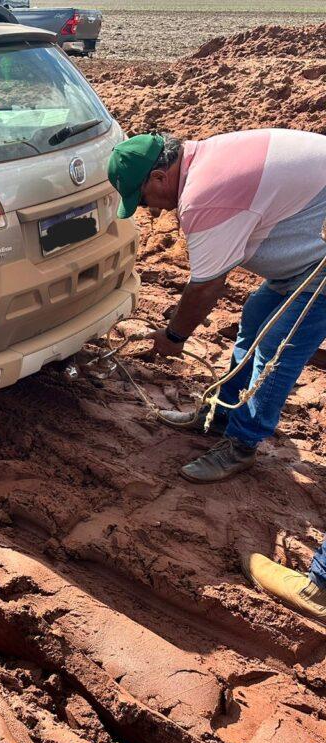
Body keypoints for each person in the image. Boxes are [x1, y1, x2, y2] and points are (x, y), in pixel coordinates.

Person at [107, 128, 326, 625]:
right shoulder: (206, 158)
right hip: (305, 255)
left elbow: (204, 290)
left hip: (319, 263)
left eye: (144, 198)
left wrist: (173, 338)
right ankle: (219, 416)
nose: (152, 212)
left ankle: (243, 444)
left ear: (161, 176)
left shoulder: (203, 196)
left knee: (278, 352)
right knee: (256, 317)